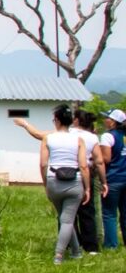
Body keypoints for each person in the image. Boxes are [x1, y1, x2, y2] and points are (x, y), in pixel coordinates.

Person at [15, 109, 108, 254]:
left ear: (75, 121)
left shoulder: (62, 134)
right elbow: (99, 161)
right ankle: (91, 247)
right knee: (87, 213)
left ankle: (68, 246)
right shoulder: (91, 137)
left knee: (65, 215)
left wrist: (25, 124)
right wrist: (103, 182)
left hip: (60, 176)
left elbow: (38, 135)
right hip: (83, 175)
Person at [40, 104, 90, 264]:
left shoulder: (48, 138)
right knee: (67, 220)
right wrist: (87, 187)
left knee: (65, 219)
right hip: (74, 182)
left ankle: (71, 252)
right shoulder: (79, 140)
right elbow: (83, 166)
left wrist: (45, 184)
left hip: (54, 181)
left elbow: (43, 164)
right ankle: (61, 255)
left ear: (57, 120)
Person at [100, 109, 126, 249]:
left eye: (107, 118)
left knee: (109, 213)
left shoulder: (108, 136)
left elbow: (106, 159)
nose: (105, 120)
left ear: (114, 122)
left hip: (113, 178)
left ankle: (111, 244)